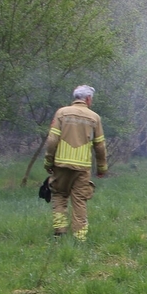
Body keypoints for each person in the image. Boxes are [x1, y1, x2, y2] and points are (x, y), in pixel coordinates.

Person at [43, 85, 108, 240]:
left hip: (61, 164)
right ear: (88, 99)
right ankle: (80, 237)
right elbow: (100, 145)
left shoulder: (61, 113)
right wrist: (102, 168)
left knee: (59, 195)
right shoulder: (94, 117)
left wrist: (48, 162)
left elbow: (52, 140)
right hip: (82, 167)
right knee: (79, 200)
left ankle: (60, 231)